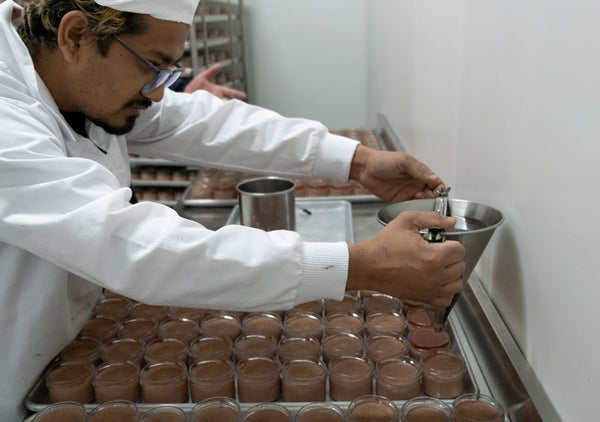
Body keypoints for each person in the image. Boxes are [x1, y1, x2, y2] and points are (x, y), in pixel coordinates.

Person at [0, 0, 465, 419]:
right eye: (153, 67)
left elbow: (201, 120)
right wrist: (363, 264)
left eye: (168, 72)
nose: (158, 91)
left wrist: (355, 160)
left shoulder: (76, 81)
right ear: (75, 35)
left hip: (65, 344)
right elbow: (131, 246)